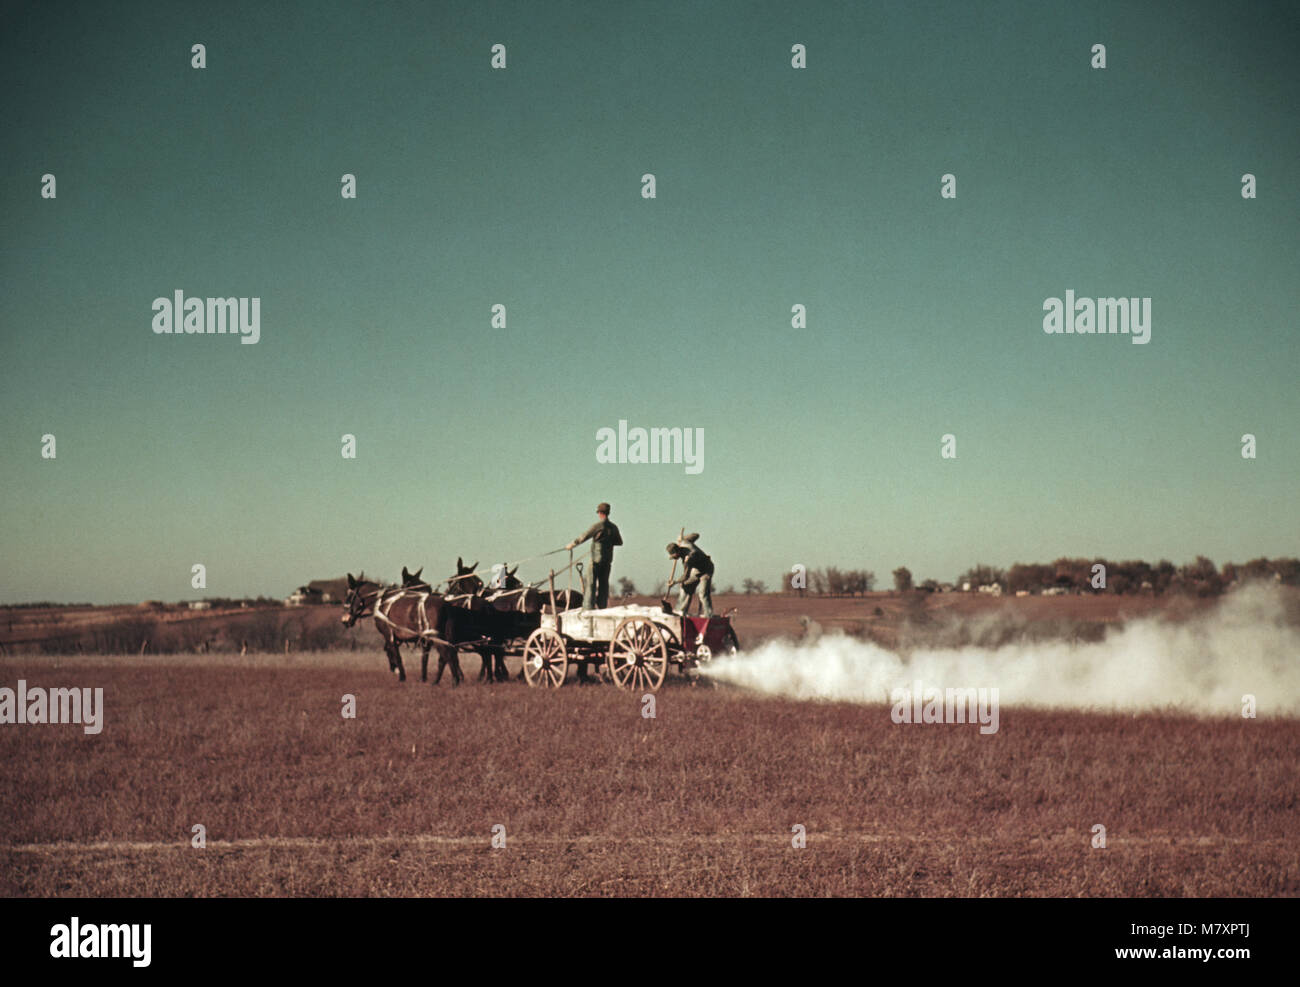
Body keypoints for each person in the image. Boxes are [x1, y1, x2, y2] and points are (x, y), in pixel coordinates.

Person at [566, 503, 622, 609]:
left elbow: (583, 537)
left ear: (600, 513)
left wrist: (571, 545)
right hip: (607, 561)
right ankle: (602, 607)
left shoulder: (597, 526)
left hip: (596, 560)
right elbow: (619, 542)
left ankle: (588, 608)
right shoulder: (614, 527)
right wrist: (607, 542)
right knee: (603, 585)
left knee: (590, 584)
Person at [667, 532, 714, 617]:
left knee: (703, 594)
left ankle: (709, 615)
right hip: (696, 570)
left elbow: (686, 576)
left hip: (706, 569)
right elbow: (696, 536)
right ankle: (680, 611)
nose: (674, 559)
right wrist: (684, 538)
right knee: (685, 586)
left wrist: (675, 582)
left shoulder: (688, 559)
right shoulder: (684, 542)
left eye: (673, 556)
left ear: (677, 553)